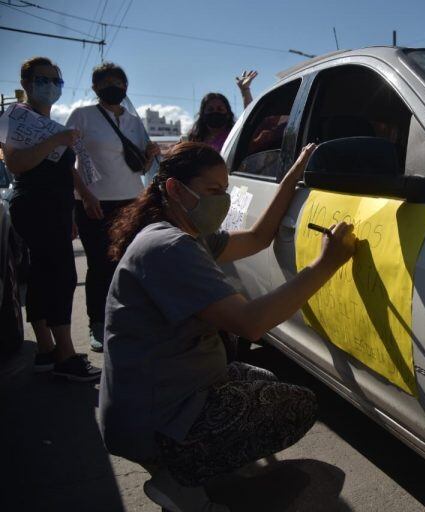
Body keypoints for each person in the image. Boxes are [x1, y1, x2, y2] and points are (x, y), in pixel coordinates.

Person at [100, 142, 355, 509]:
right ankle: (177, 479)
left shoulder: (185, 236)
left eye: (225, 190)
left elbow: (257, 238)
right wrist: (325, 264)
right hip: (152, 418)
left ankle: (192, 464)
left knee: (261, 381)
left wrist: (292, 176)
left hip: (159, 394)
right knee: (295, 405)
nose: (222, 200)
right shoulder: (169, 247)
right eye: (213, 191)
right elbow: (251, 323)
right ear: (174, 189)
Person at [2, 57, 100, 381]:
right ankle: (67, 356)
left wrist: (83, 194)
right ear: (27, 84)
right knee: (61, 276)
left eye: (55, 81)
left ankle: (46, 350)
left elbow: (64, 169)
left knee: (44, 276)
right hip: (35, 205)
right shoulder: (18, 118)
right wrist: (55, 141)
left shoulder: (49, 125)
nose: (51, 87)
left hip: (55, 208)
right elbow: (16, 163)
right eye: (43, 80)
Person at [66, 62, 160, 352]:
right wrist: (84, 193)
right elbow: (65, 160)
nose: (115, 88)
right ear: (95, 88)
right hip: (94, 202)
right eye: (107, 83)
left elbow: (140, 165)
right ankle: (97, 324)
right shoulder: (82, 116)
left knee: (128, 264)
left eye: (120, 83)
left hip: (132, 201)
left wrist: (151, 155)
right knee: (99, 265)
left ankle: (126, 321)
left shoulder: (133, 121)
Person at [185, 69, 257, 152]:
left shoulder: (234, 136)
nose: (215, 112)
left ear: (228, 113)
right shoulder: (192, 139)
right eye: (210, 109)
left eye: (220, 109)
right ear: (202, 114)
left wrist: (245, 90)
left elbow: (250, 117)